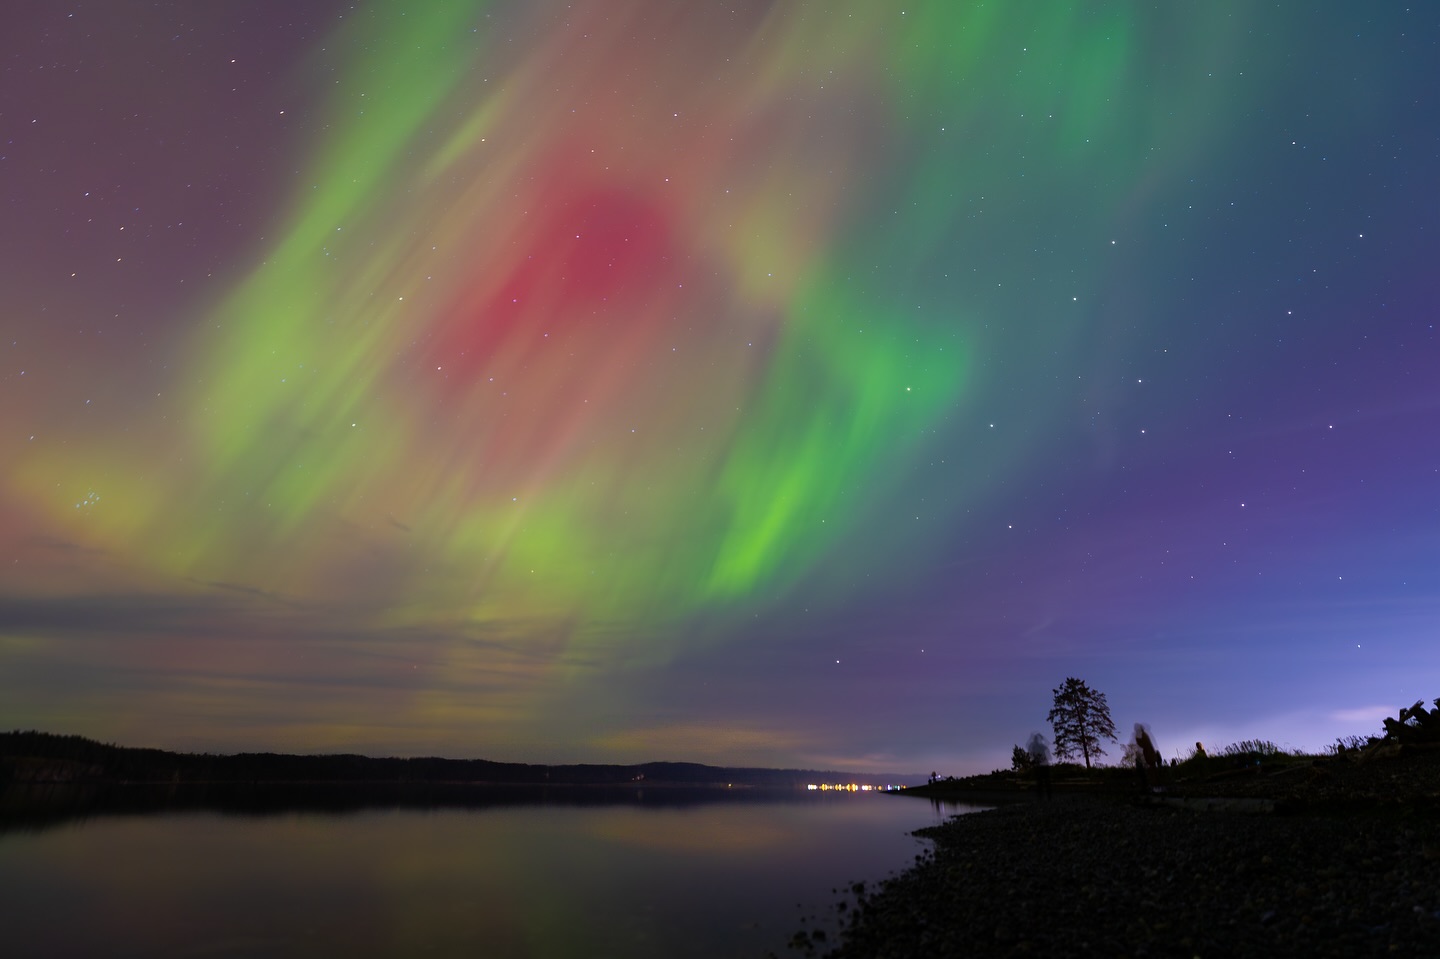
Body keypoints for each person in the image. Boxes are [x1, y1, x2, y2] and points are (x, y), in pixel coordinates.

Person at [1026, 732, 1052, 800]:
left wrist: (1041, 736)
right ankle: (1044, 797)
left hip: (1043, 765)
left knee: (1044, 782)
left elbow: (1048, 744)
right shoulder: (1034, 746)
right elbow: (1028, 747)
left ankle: (1046, 797)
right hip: (1040, 766)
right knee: (1042, 782)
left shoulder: (1040, 746)